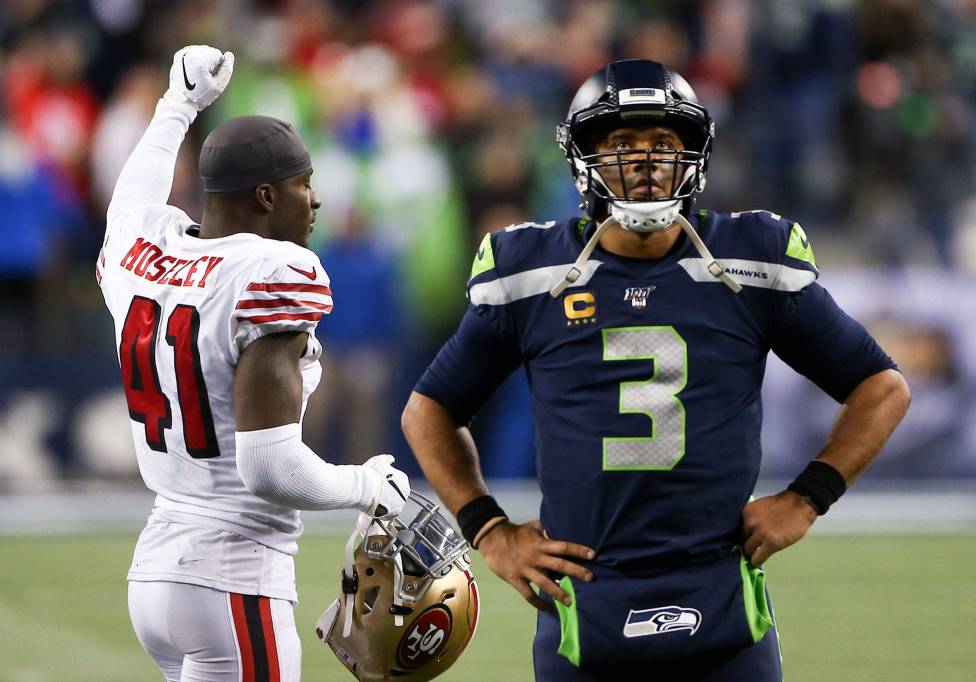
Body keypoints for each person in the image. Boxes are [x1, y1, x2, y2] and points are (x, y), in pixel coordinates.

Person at [401, 59, 910, 681]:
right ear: (584, 157)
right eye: (622, 143)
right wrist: (489, 531)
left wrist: (808, 498)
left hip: (723, 601)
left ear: (694, 154)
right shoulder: (530, 272)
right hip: (585, 609)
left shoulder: (751, 262)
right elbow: (429, 409)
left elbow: (882, 387)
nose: (644, 161)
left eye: (664, 143)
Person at [98, 45, 410, 681]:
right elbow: (268, 467)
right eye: (304, 184)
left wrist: (176, 105)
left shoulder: (140, 256)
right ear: (267, 195)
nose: (316, 201)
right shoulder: (268, 272)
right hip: (233, 573)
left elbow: (129, 201)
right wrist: (369, 488)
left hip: (157, 565)